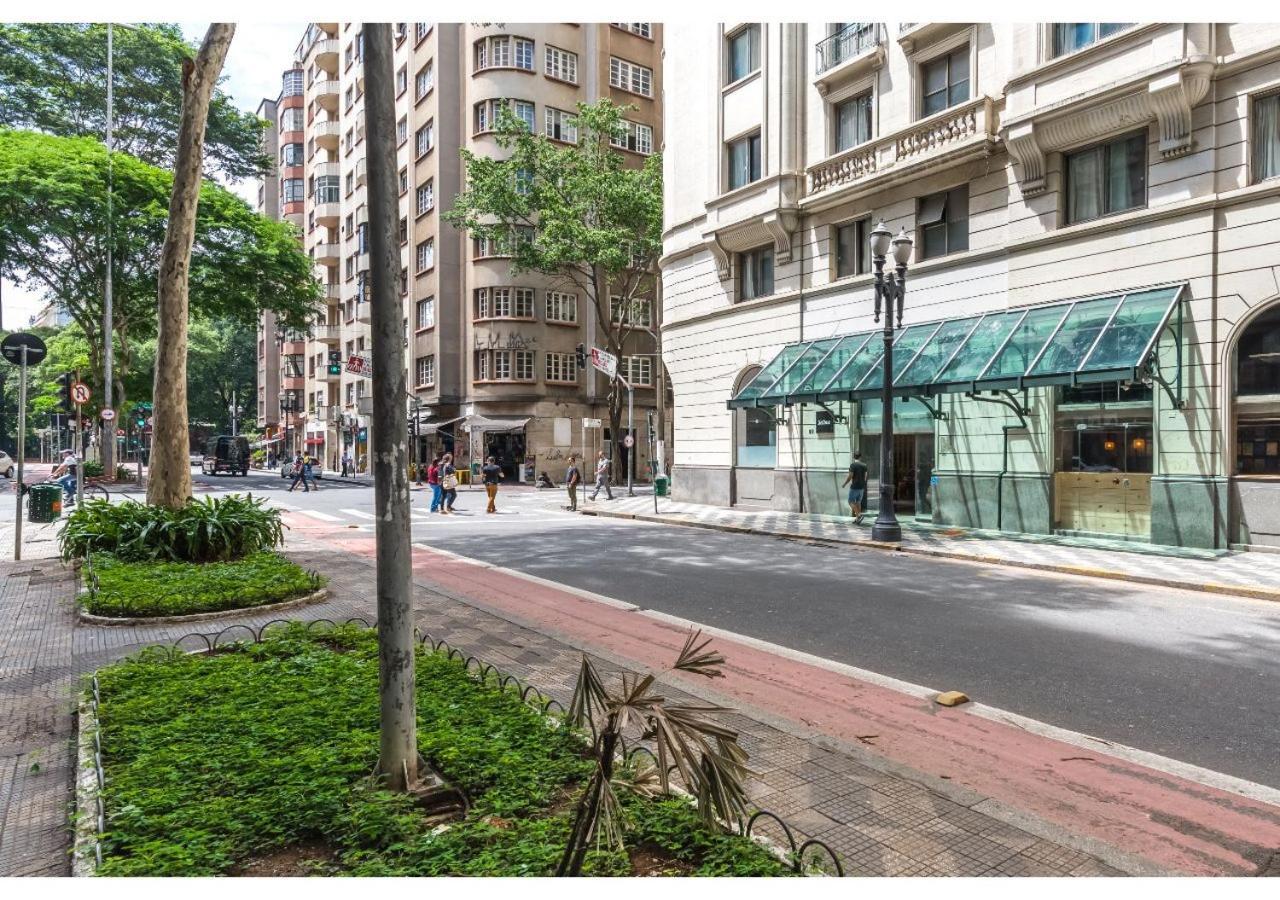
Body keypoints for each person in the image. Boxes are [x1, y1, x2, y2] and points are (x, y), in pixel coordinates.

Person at [842, 451, 869, 524]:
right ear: (860, 457)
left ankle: (859, 515)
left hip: (854, 487)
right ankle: (858, 519)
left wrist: (844, 484)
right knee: (858, 502)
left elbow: (850, 476)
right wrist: (863, 484)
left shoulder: (853, 465)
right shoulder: (864, 465)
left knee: (850, 501)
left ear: (854, 457)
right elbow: (865, 477)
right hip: (861, 487)